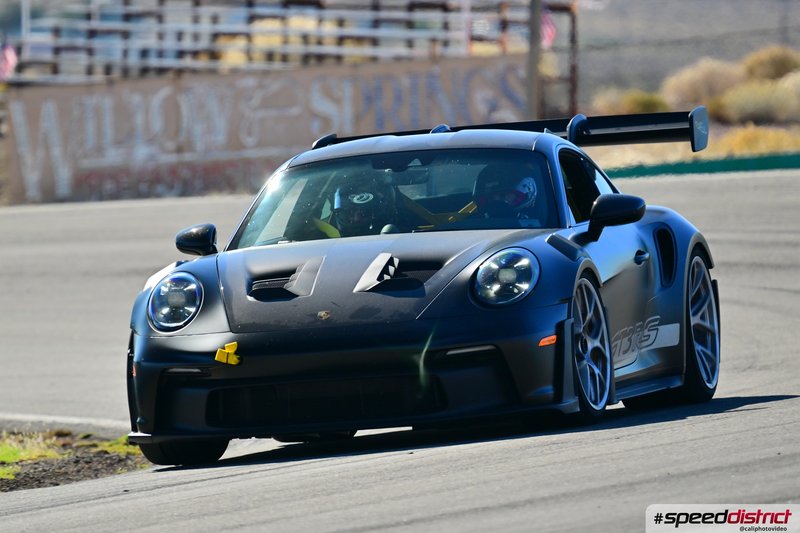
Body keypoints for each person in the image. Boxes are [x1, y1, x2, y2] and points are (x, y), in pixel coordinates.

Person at [329, 172, 398, 237]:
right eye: (349, 212)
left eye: (365, 212)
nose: (356, 218)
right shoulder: (324, 237)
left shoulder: (404, 229)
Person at [473, 165, 539, 220]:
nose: (496, 198)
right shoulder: (469, 218)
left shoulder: (535, 223)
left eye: (502, 195)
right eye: (490, 196)